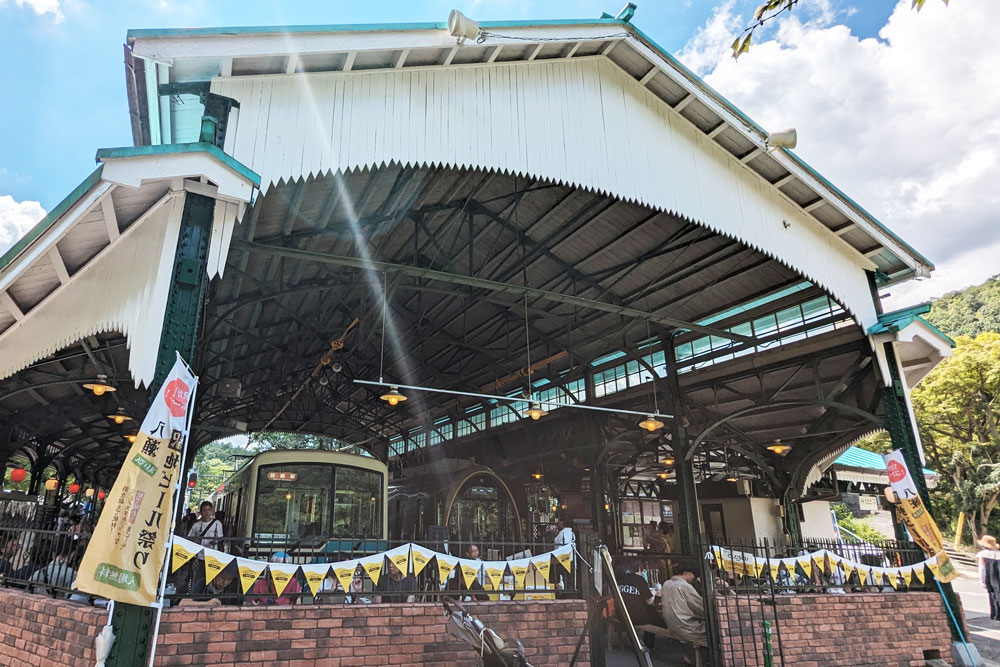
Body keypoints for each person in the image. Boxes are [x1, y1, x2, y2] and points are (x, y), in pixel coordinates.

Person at [615, 559, 668, 650]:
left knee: (650, 612)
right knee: (653, 614)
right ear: (639, 569)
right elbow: (649, 601)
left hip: (621, 615)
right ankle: (649, 643)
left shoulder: (619, 581)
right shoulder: (639, 580)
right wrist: (654, 593)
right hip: (636, 617)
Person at [661, 565, 707, 664]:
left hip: (672, 625)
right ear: (687, 573)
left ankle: (689, 657)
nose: (693, 579)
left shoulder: (666, 583)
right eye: (693, 575)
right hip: (686, 626)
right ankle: (700, 660)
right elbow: (699, 606)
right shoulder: (685, 586)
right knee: (712, 634)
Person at [978, 535, 1000, 620]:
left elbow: (982, 569)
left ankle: (996, 615)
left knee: (993, 595)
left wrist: (982, 581)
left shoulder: (983, 555)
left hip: (990, 577)